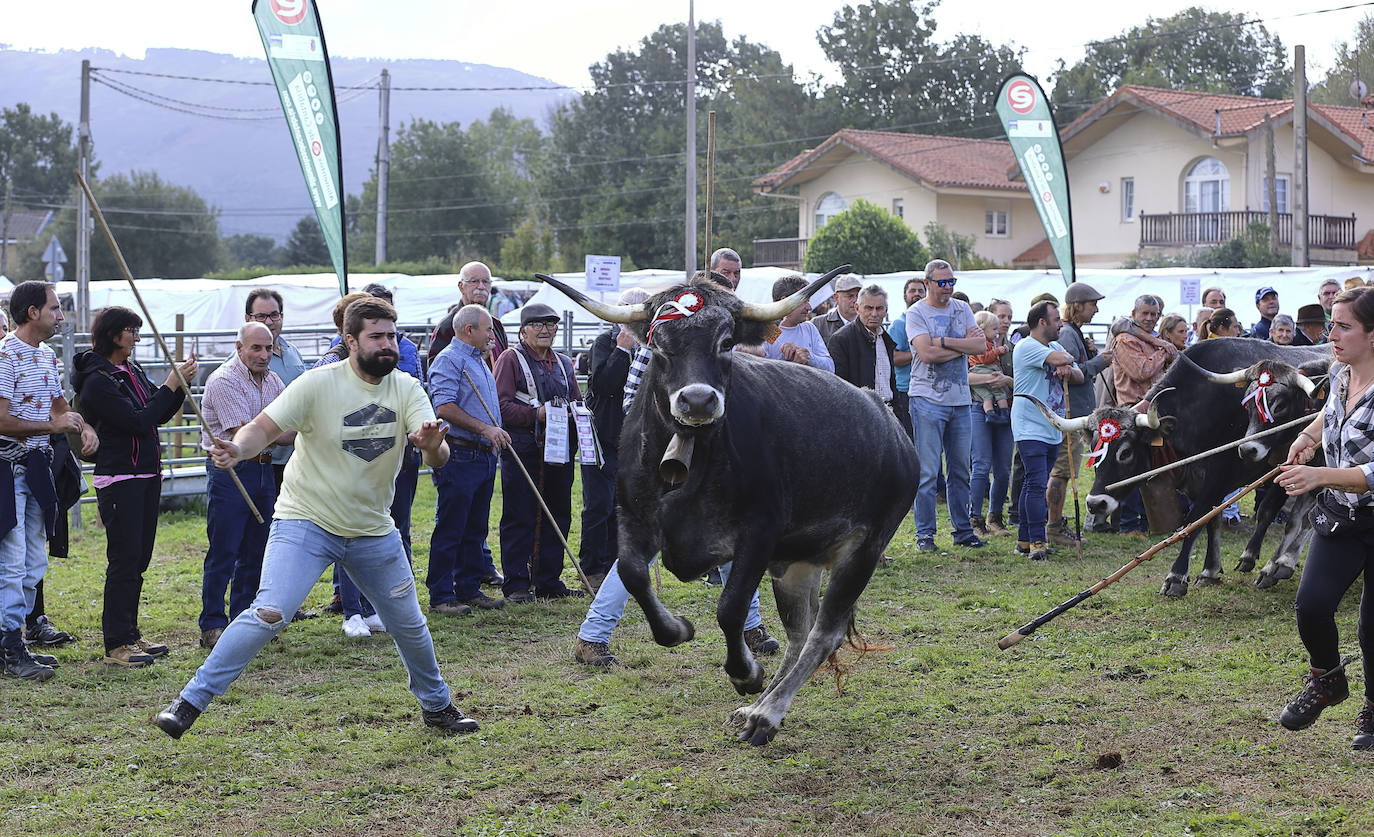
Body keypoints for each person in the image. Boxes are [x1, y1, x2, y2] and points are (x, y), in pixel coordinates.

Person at [154, 297, 481, 738]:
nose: (389, 345)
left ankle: (438, 707)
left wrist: (429, 445)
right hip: (305, 521)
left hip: (371, 528)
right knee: (269, 612)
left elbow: (439, 457)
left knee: (409, 623)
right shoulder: (316, 383)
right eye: (377, 337)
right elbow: (262, 429)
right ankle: (189, 702)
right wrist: (237, 448)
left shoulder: (407, 388)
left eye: (392, 336)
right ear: (350, 341)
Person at [1274, 285, 1374, 748]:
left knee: (1371, 626)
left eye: (1343, 326)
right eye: (1331, 324)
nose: (1330, 333)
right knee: (1312, 606)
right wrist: (1310, 436)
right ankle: (1328, 680)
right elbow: (1334, 412)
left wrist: (1319, 477)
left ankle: (1373, 711)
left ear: (1373, 335)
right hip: (1341, 517)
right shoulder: (1339, 373)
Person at [72, 306, 196, 667]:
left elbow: (154, 412)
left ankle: (131, 633)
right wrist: (171, 386)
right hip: (120, 478)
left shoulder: (132, 370)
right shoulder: (98, 381)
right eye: (131, 331)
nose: (137, 339)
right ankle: (116, 644)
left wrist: (179, 385)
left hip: (146, 474)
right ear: (113, 335)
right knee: (124, 561)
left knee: (138, 559)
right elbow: (137, 421)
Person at [0, 282, 94, 682]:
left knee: (34, 561)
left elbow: (58, 405)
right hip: (9, 467)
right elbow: (1, 420)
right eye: (55, 309)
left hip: (38, 467)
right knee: (13, 559)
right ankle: (11, 644)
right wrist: (51, 425)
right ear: (32, 312)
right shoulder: (5, 354)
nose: (61, 316)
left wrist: (80, 425)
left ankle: (12, 640)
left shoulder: (44, 355)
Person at [198, 322, 290, 650]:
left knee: (257, 548)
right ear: (239, 348)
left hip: (265, 470)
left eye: (268, 348)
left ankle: (242, 619)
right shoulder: (224, 380)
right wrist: (278, 431)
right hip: (231, 471)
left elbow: (284, 426)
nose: (263, 355)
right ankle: (212, 623)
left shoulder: (274, 380)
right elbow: (245, 434)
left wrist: (276, 432)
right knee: (224, 548)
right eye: (256, 348)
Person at [494, 303, 583, 602]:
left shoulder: (564, 363)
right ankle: (517, 584)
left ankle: (548, 580)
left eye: (551, 324)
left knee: (558, 514)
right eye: (537, 324)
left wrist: (582, 415)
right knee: (520, 514)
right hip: (523, 448)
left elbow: (576, 399)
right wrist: (538, 414)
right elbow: (501, 407)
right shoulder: (511, 359)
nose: (545, 330)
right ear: (523, 330)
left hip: (559, 449)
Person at [426, 305, 511, 615]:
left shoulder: (479, 360)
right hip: (460, 454)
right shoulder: (450, 361)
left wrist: (491, 434)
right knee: (452, 526)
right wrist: (486, 428)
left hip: (482, 455)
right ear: (468, 330)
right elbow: (444, 407)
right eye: (488, 329)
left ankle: (469, 588)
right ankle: (441, 595)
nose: (492, 335)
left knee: (475, 527)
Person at [907, 259, 988, 552]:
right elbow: (926, 354)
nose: (948, 288)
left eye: (952, 282)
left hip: (960, 400)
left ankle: (962, 531)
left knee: (960, 471)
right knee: (928, 473)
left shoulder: (962, 309)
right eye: (942, 283)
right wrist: (958, 345)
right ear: (927, 283)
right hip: (927, 399)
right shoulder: (916, 313)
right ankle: (925, 536)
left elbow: (980, 347)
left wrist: (942, 340)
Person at [579, 289, 649, 591]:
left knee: (624, 505)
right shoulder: (605, 341)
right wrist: (621, 351)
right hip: (602, 437)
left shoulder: (650, 346)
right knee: (598, 504)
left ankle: (614, 567)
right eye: (628, 310)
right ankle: (592, 568)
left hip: (632, 440)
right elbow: (604, 385)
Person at [1011, 300, 1082, 561]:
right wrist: (1064, 362)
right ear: (1042, 322)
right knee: (1037, 483)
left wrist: (1067, 367)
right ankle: (1038, 542)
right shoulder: (1026, 346)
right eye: (1056, 320)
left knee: (1033, 482)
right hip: (1030, 424)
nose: (1061, 324)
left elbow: (1079, 376)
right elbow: (1064, 359)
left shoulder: (1053, 345)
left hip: (1052, 426)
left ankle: (1023, 540)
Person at [1049, 282, 1113, 546]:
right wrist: (1100, 361)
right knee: (1062, 471)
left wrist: (1090, 353)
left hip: (1074, 413)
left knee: (1066, 471)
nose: (1096, 309)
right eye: (1092, 304)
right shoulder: (1067, 334)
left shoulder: (1074, 332)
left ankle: (1055, 524)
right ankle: (1053, 527)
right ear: (1077, 306)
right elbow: (1073, 375)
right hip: (1069, 413)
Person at [1109, 295, 1177, 536]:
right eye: (1144, 314)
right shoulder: (1125, 339)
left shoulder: (1153, 341)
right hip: (1132, 413)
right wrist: (1164, 351)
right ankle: (1128, 524)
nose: (1149, 318)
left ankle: (1150, 521)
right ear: (1134, 313)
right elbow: (1140, 371)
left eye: (1153, 314)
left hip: (1154, 412)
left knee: (1153, 465)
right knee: (1132, 466)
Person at [244, 289, 305, 493]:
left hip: (297, 459)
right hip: (264, 462)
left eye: (274, 315)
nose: (269, 322)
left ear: (281, 317)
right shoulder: (242, 362)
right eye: (261, 316)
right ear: (248, 319)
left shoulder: (293, 353)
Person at [969, 299, 1014, 537]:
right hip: (978, 407)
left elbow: (1022, 383)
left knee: (1004, 469)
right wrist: (989, 379)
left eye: (1009, 317)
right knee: (981, 465)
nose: (1005, 322)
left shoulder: (1014, 349)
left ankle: (995, 517)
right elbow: (964, 377)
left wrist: (1006, 381)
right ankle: (974, 519)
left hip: (1006, 410)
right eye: (1001, 318)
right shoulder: (975, 345)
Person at [830, 284, 897, 413]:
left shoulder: (886, 339)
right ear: (857, 308)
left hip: (889, 412)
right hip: (860, 414)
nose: (874, 314)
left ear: (886, 310)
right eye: (868, 308)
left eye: (879, 308)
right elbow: (839, 387)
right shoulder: (842, 339)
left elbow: (891, 383)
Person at [427, 262, 510, 364]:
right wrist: (479, 359)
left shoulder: (496, 325)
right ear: (461, 286)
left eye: (486, 281)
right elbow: (437, 368)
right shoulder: (448, 326)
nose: (481, 286)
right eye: (474, 281)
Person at [763, 275, 835, 372]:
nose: (809, 307)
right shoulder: (769, 331)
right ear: (784, 301)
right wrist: (790, 364)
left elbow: (830, 368)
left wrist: (809, 357)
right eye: (803, 301)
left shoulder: (809, 328)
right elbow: (761, 373)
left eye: (808, 301)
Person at [887, 279, 923, 439]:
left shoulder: (927, 322)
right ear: (905, 296)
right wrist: (921, 352)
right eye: (912, 291)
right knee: (910, 440)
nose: (917, 294)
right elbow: (893, 357)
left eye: (921, 291)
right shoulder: (899, 324)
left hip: (927, 391)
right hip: (905, 391)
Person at [967, 311, 1011, 422]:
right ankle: (998, 414)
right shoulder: (980, 344)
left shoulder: (991, 343)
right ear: (982, 330)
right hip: (981, 370)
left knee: (992, 395)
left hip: (986, 371)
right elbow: (984, 359)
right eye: (994, 329)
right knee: (993, 394)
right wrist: (997, 352)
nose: (996, 332)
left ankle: (997, 414)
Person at [812, 274, 862, 346]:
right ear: (836, 298)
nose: (855, 300)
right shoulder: (818, 324)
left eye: (858, 296)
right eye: (850, 296)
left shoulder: (867, 324)